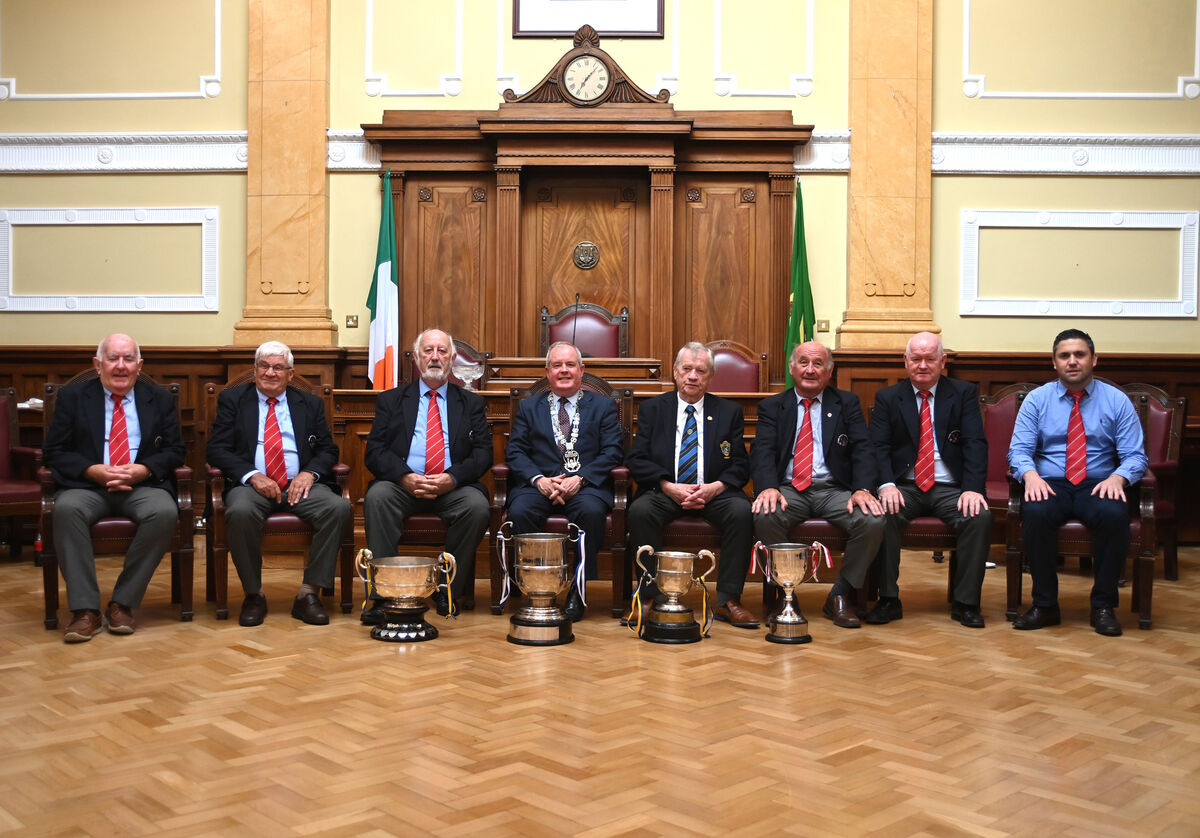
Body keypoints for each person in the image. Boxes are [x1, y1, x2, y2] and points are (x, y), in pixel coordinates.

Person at [43, 333, 185, 642]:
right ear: (98, 364)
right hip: (87, 486)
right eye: (113, 359)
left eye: (128, 359)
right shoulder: (74, 397)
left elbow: (176, 450)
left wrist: (143, 470)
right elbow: (54, 452)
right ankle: (85, 612)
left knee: (163, 511)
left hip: (141, 486)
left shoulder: (158, 399)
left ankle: (123, 603)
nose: (121, 366)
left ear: (139, 364)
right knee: (65, 509)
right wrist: (91, 470)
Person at [1008, 328, 1146, 637]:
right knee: (1037, 512)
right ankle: (1045, 606)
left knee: (1113, 515)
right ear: (1054, 363)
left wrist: (1119, 477)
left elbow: (1135, 455)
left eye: (1079, 355)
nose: (1072, 361)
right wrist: (1029, 476)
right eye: (1064, 356)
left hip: (1098, 481)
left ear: (1094, 360)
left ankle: (1103, 607)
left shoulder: (1117, 401)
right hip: (1051, 480)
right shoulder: (1037, 400)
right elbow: (1019, 450)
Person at [206, 341, 352, 627]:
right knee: (239, 512)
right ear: (255, 369)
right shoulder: (233, 400)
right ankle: (254, 595)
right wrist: (252, 475)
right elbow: (217, 449)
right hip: (252, 486)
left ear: (290, 373)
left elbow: (328, 450)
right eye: (264, 366)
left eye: (278, 368)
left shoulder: (308, 403)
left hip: (301, 486)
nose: (270, 373)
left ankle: (309, 594)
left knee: (338, 508)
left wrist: (309, 473)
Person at [750, 341, 884, 629]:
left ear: (830, 370)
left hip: (834, 490)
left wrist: (862, 488)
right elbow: (762, 451)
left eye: (818, 364)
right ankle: (785, 595)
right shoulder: (773, 406)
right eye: (803, 362)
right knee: (765, 513)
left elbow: (863, 449)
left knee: (872, 519)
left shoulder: (846, 403)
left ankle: (840, 595)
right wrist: (767, 487)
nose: (810, 370)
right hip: (789, 489)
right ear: (792, 367)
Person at [362, 329, 493, 620]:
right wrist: (404, 476)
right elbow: (375, 451)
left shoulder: (470, 403)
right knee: (378, 497)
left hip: (453, 489)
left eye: (442, 351)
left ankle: (447, 590)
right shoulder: (391, 400)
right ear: (417, 358)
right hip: (403, 487)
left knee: (476, 506)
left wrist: (452, 478)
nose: (435, 357)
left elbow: (484, 453)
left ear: (452, 358)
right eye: (428, 351)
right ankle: (383, 595)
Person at [625, 342, 757, 628]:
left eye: (701, 371)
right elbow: (637, 458)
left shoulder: (728, 411)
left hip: (714, 492)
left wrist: (715, 487)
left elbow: (739, 464)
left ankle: (728, 601)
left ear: (710, 378)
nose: (693, 376)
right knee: (639, 511)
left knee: (741, 513)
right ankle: (649, 598)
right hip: (667, 491)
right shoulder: (653, 409)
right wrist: (667, 485)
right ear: (675, 373)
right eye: (687, 369)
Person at [868, 332, 991, 628]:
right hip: (905, 485)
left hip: (950, 487)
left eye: (930, 359)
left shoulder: (962, 393)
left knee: (980, 516)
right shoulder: (888, 397)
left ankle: (966, 603)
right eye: (916, 359)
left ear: (942, 361)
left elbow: (975, 443)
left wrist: (973, 489)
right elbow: (878, 447)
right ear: (905, 361)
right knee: (880, 514)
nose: (923, 365)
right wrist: (886, 485)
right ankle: (888, 599)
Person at [504, 341, 623, 621]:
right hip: (539, 484)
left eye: (570, 365)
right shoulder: (528, 407)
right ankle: (537, 589)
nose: (564, 370)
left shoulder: (604, 406)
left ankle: (577, 592)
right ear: (547, 372)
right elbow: (516, 450)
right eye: (557, 365)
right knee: (520, 512)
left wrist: (580, 479)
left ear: (582, 370)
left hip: (586, 485)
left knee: (591, 513)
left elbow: (613, 451)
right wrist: (538, 480)